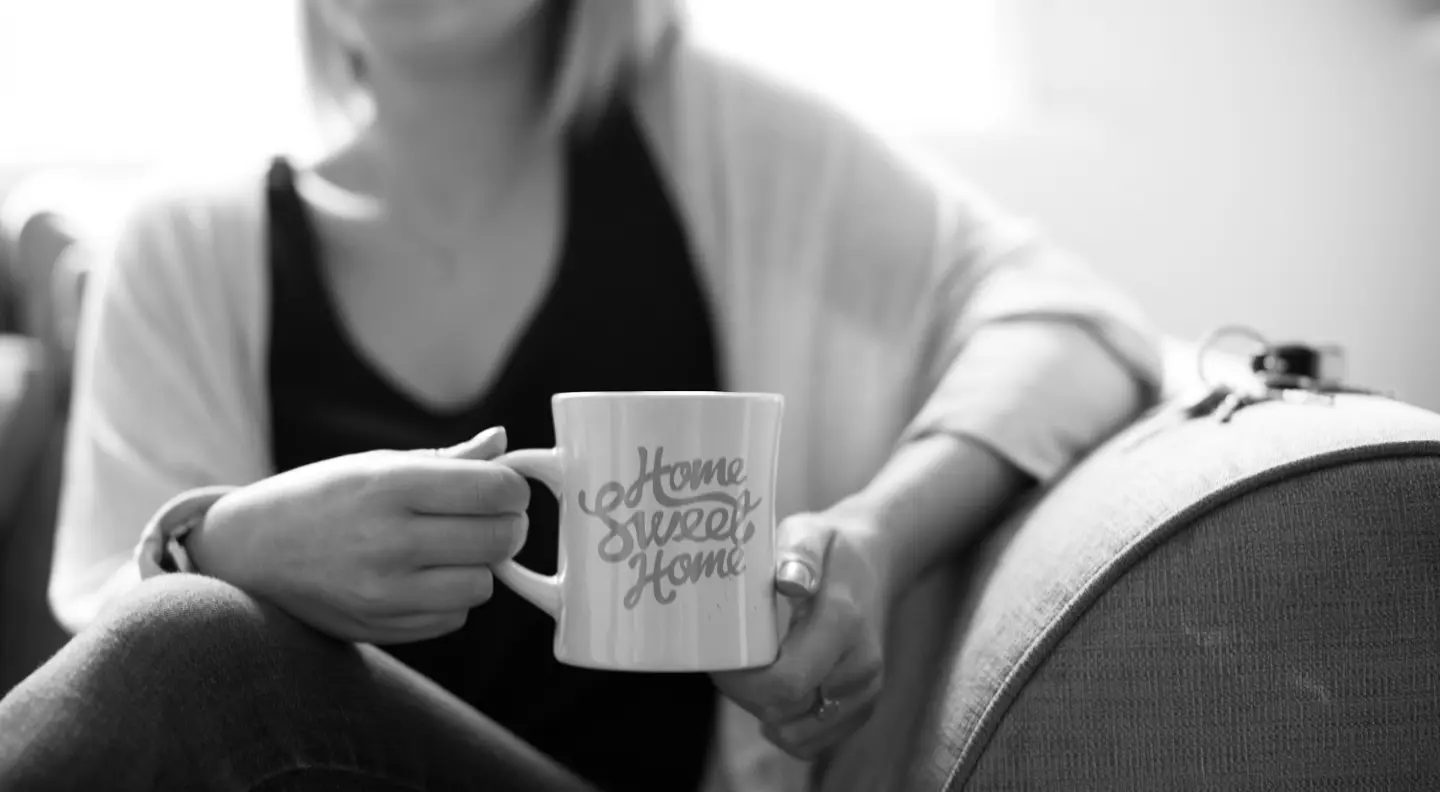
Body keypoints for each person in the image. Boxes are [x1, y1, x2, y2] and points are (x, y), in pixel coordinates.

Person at [0, 1, 1162, 790]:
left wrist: (875, 539)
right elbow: (115, 662)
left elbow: (1073, 323)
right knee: (192, 636)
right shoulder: (181, 247)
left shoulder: (734, 151)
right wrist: (229, 542)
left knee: (196, 649)